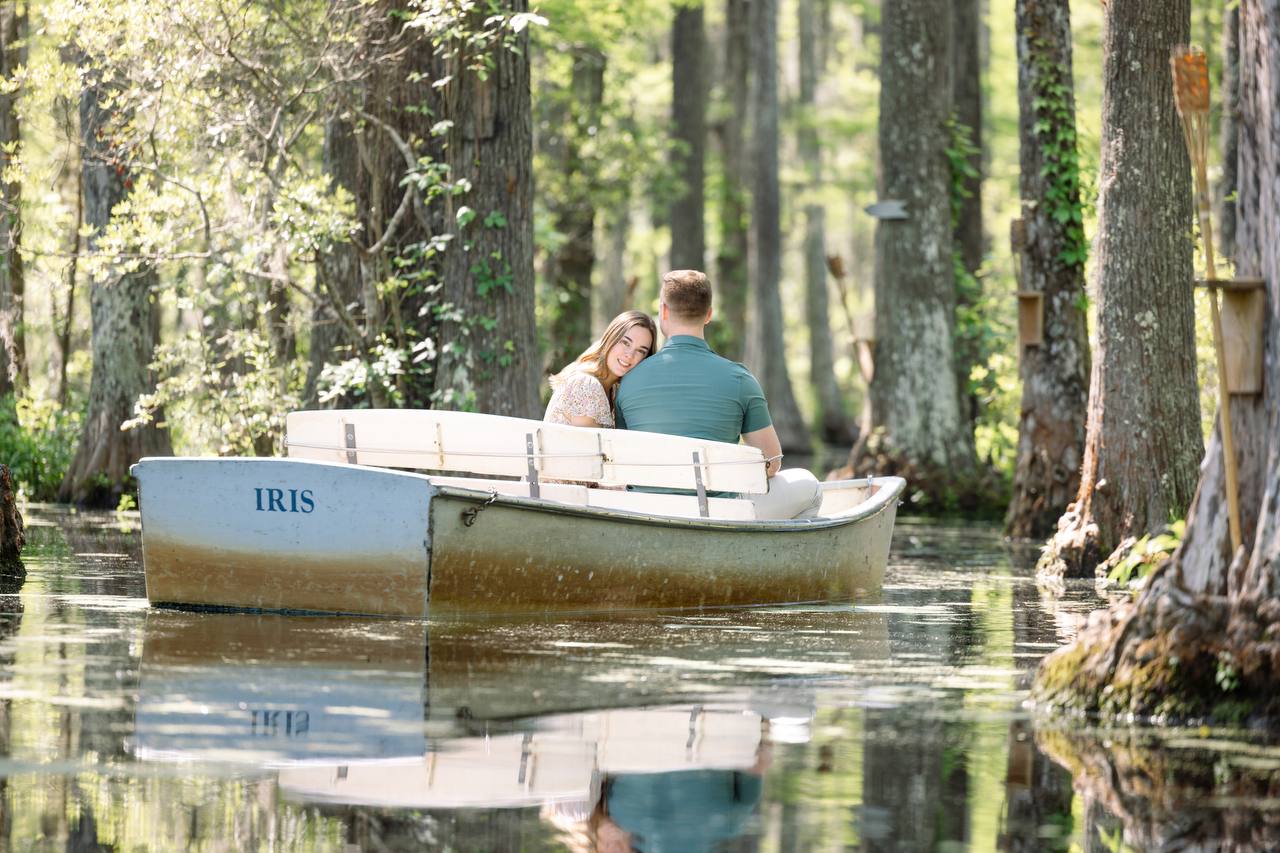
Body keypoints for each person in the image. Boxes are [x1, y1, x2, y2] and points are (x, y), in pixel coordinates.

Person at [615, 269, 822, 519]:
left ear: (664, 311)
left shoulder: (629, 381)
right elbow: (772, 462)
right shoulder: (740, 380)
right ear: (709, 315)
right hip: (719, 514)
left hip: (649, 511)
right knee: (809, 485)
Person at [544, 310, 657, 428]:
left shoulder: (613, 391)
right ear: (611, 338)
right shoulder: (586, 384)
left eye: (640, 351)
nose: (630, 355)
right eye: (625, 342)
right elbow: (586, 445)